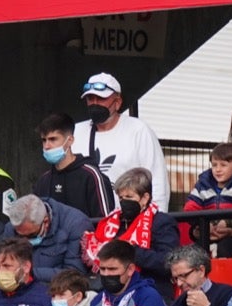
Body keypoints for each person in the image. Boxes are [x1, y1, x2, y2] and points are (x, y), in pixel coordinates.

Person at [75, 72, 169, 201]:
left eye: (101, 98)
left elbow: (157, 181)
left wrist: (157, 217)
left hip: (129, 219)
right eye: (90, 98)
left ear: (117, 102)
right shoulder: (75, 132)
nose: (95, 103)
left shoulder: (138, 130)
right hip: (86, 219)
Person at [87, 168, 179, 292]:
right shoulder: (113, 223)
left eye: (129, 197)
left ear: (145, 198)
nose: (124, 202)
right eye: (121, 198)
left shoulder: (161, 222)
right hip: (111, 288)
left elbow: (169, 263)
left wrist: (131, 251)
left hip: (150, 288)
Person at [32, 111, 117, 220]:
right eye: (44, 140)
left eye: (53, 139)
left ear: (70, 140)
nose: (47, 146)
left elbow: (105, 223)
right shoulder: (43, 180)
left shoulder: (91, 176)